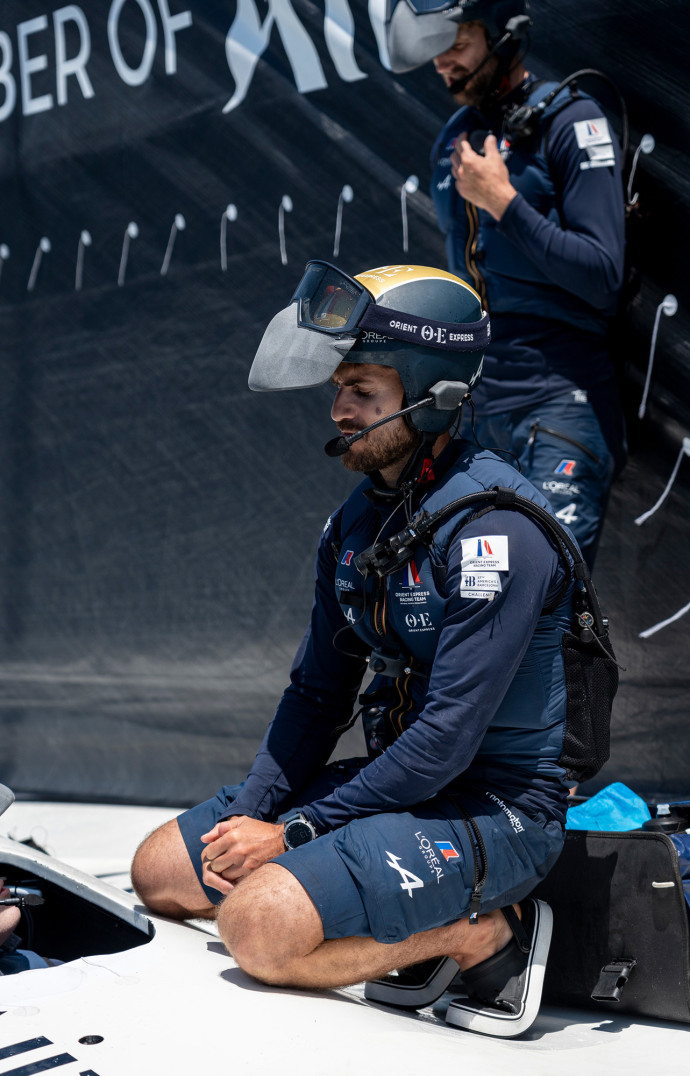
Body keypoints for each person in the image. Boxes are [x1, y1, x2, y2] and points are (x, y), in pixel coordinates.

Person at [131, 261, 605, 1038]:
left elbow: (449, 739)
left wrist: (289, 836)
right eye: (338, 388)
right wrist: (251, 814)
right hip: (406, 790)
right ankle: (357, 902)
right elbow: (318, 696)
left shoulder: (499, 532)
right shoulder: (357, 524)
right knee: (161, 870)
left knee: (254, 928)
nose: (340, 409)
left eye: (364, 391)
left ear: (436, 394)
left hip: (499, 808)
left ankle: (485, 933)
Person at [383, 0, 627, 567]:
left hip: (563, 400)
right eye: (433, 49)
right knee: (475, 600)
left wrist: (504, 203)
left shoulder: (572, 120)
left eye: (457, 44)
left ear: (505, 35)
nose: (443, 63)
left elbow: (604, 278)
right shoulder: (456, 138)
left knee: (547, 593)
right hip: (479, 414)